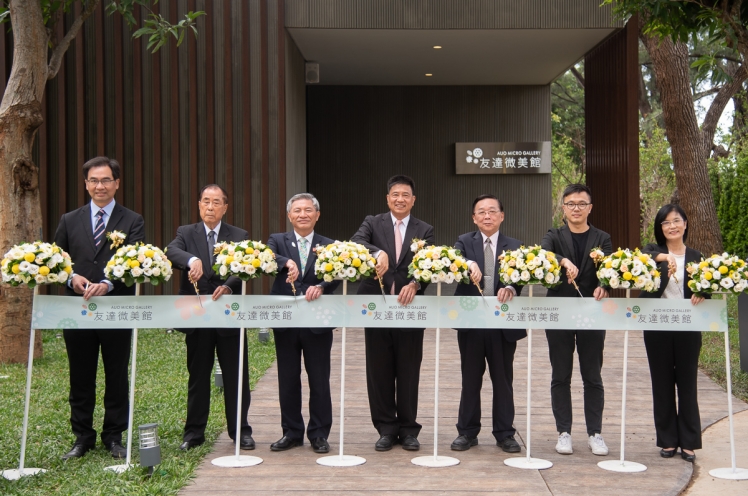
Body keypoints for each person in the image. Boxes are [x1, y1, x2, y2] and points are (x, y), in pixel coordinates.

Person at [54, 156, 145, 460]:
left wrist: (107, 283)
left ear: (117, 183)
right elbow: (56, 260)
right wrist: (71, 278)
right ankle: (82, 437)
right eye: (93, 180)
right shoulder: (69, 219)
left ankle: (114, 436)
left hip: (115, 309)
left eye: (106, 180)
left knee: (116, 374)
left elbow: (136, 262)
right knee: (80, 375)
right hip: (77, 310)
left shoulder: (132, 221)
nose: (100, 186)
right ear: (86, 184)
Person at [166, 184, 254, 451]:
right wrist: (192, 260)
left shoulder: (238, 235)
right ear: (199, 205)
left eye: (216, 202)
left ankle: (240, 431)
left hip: (229, 316)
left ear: (225, 207)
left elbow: (247, 265)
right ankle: (194, 433)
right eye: (206, 201)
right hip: (198, 317)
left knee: (236, 377)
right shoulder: (185, 233)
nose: (210, 207)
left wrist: (228, 285)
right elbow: (171, 252)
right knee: (198, 376)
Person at [351, 174, 435, 451]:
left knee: (409, 371)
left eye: (405, 195)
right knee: (379, 371)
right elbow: (356, 242)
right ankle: (386, 428)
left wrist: (415, 283)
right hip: (377, 309)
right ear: (388, 199)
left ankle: (409, 430)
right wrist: (378, 253)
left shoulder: (425, 229)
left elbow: (430, 264)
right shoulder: (372, 223)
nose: (400, 199)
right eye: (395, 195)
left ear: (413, 200)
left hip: (410, 309)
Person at [540, 183, 612, 456]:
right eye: (571, 204)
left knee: (592, 375)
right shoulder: (554, 235)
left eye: (582, 204)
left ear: (590, 208)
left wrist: (605, 286)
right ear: (564, 207)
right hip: (559, 312)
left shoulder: (602, 238)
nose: (576, 208)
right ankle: (564, 433)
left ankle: (595, 433)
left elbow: (609, 271)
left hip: (591, 313)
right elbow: (544, 254)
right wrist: (562, 261)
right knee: (561, 374)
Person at [451, 194, 525, 453]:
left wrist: (512, 287)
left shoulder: (514, 245)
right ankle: (467, 432)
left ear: (501, 216)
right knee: (470, 379)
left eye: (492, 211)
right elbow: (454, 259)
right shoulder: (463, 242)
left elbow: (521, 275)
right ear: (474, 218)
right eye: (481, 211)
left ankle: (505, 433)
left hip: (502, 323)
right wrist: (468, 262)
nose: (487, 216)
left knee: (503, 380)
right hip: (472, 322)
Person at [267, 193, 340, 453]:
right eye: (297, 210)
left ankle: (319, 434)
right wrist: (285, 261)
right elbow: (266, 257)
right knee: (288, 379)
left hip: (317, 321)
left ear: (317, 215)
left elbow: (337, 274)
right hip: (286, 321)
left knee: (319, 380)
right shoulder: (277, 240)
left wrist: (321, 286)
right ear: (289, 215)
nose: (303, 214)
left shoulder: (329, 245)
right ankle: (291, 432)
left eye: (308, 210)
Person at [641, 204, 705, 463]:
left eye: (676, 221)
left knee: (688, 384)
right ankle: (668, 440)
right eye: (666, 223)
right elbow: (642, 256)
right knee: (662, 383)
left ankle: (689, 442)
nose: (672, 226)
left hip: (688, 327)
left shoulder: (696, 257)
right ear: (661, 228)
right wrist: (664, 258)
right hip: (657, 327)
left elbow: (707, 286)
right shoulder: (652, 253)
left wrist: (703, 292)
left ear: (685, 224)